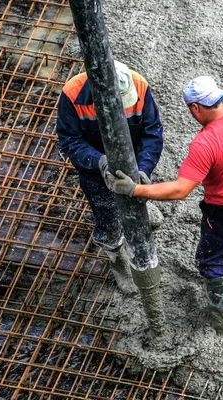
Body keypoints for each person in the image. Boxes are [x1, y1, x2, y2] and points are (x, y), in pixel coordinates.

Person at [104, 75, 223, 334]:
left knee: (216, 259)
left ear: (195, 107)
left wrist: (135, 189)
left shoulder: (205, 143)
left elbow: (181, 190)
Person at [55, 60, 164, 293]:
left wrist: (143, 169)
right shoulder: (73, 94)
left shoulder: (138, 85)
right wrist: (99, 162)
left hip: (132, 161)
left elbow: (152, 132)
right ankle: (117, 258)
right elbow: (70, 140)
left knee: (137, 196)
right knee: (107, 214)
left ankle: (141, 207)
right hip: (96, 169)